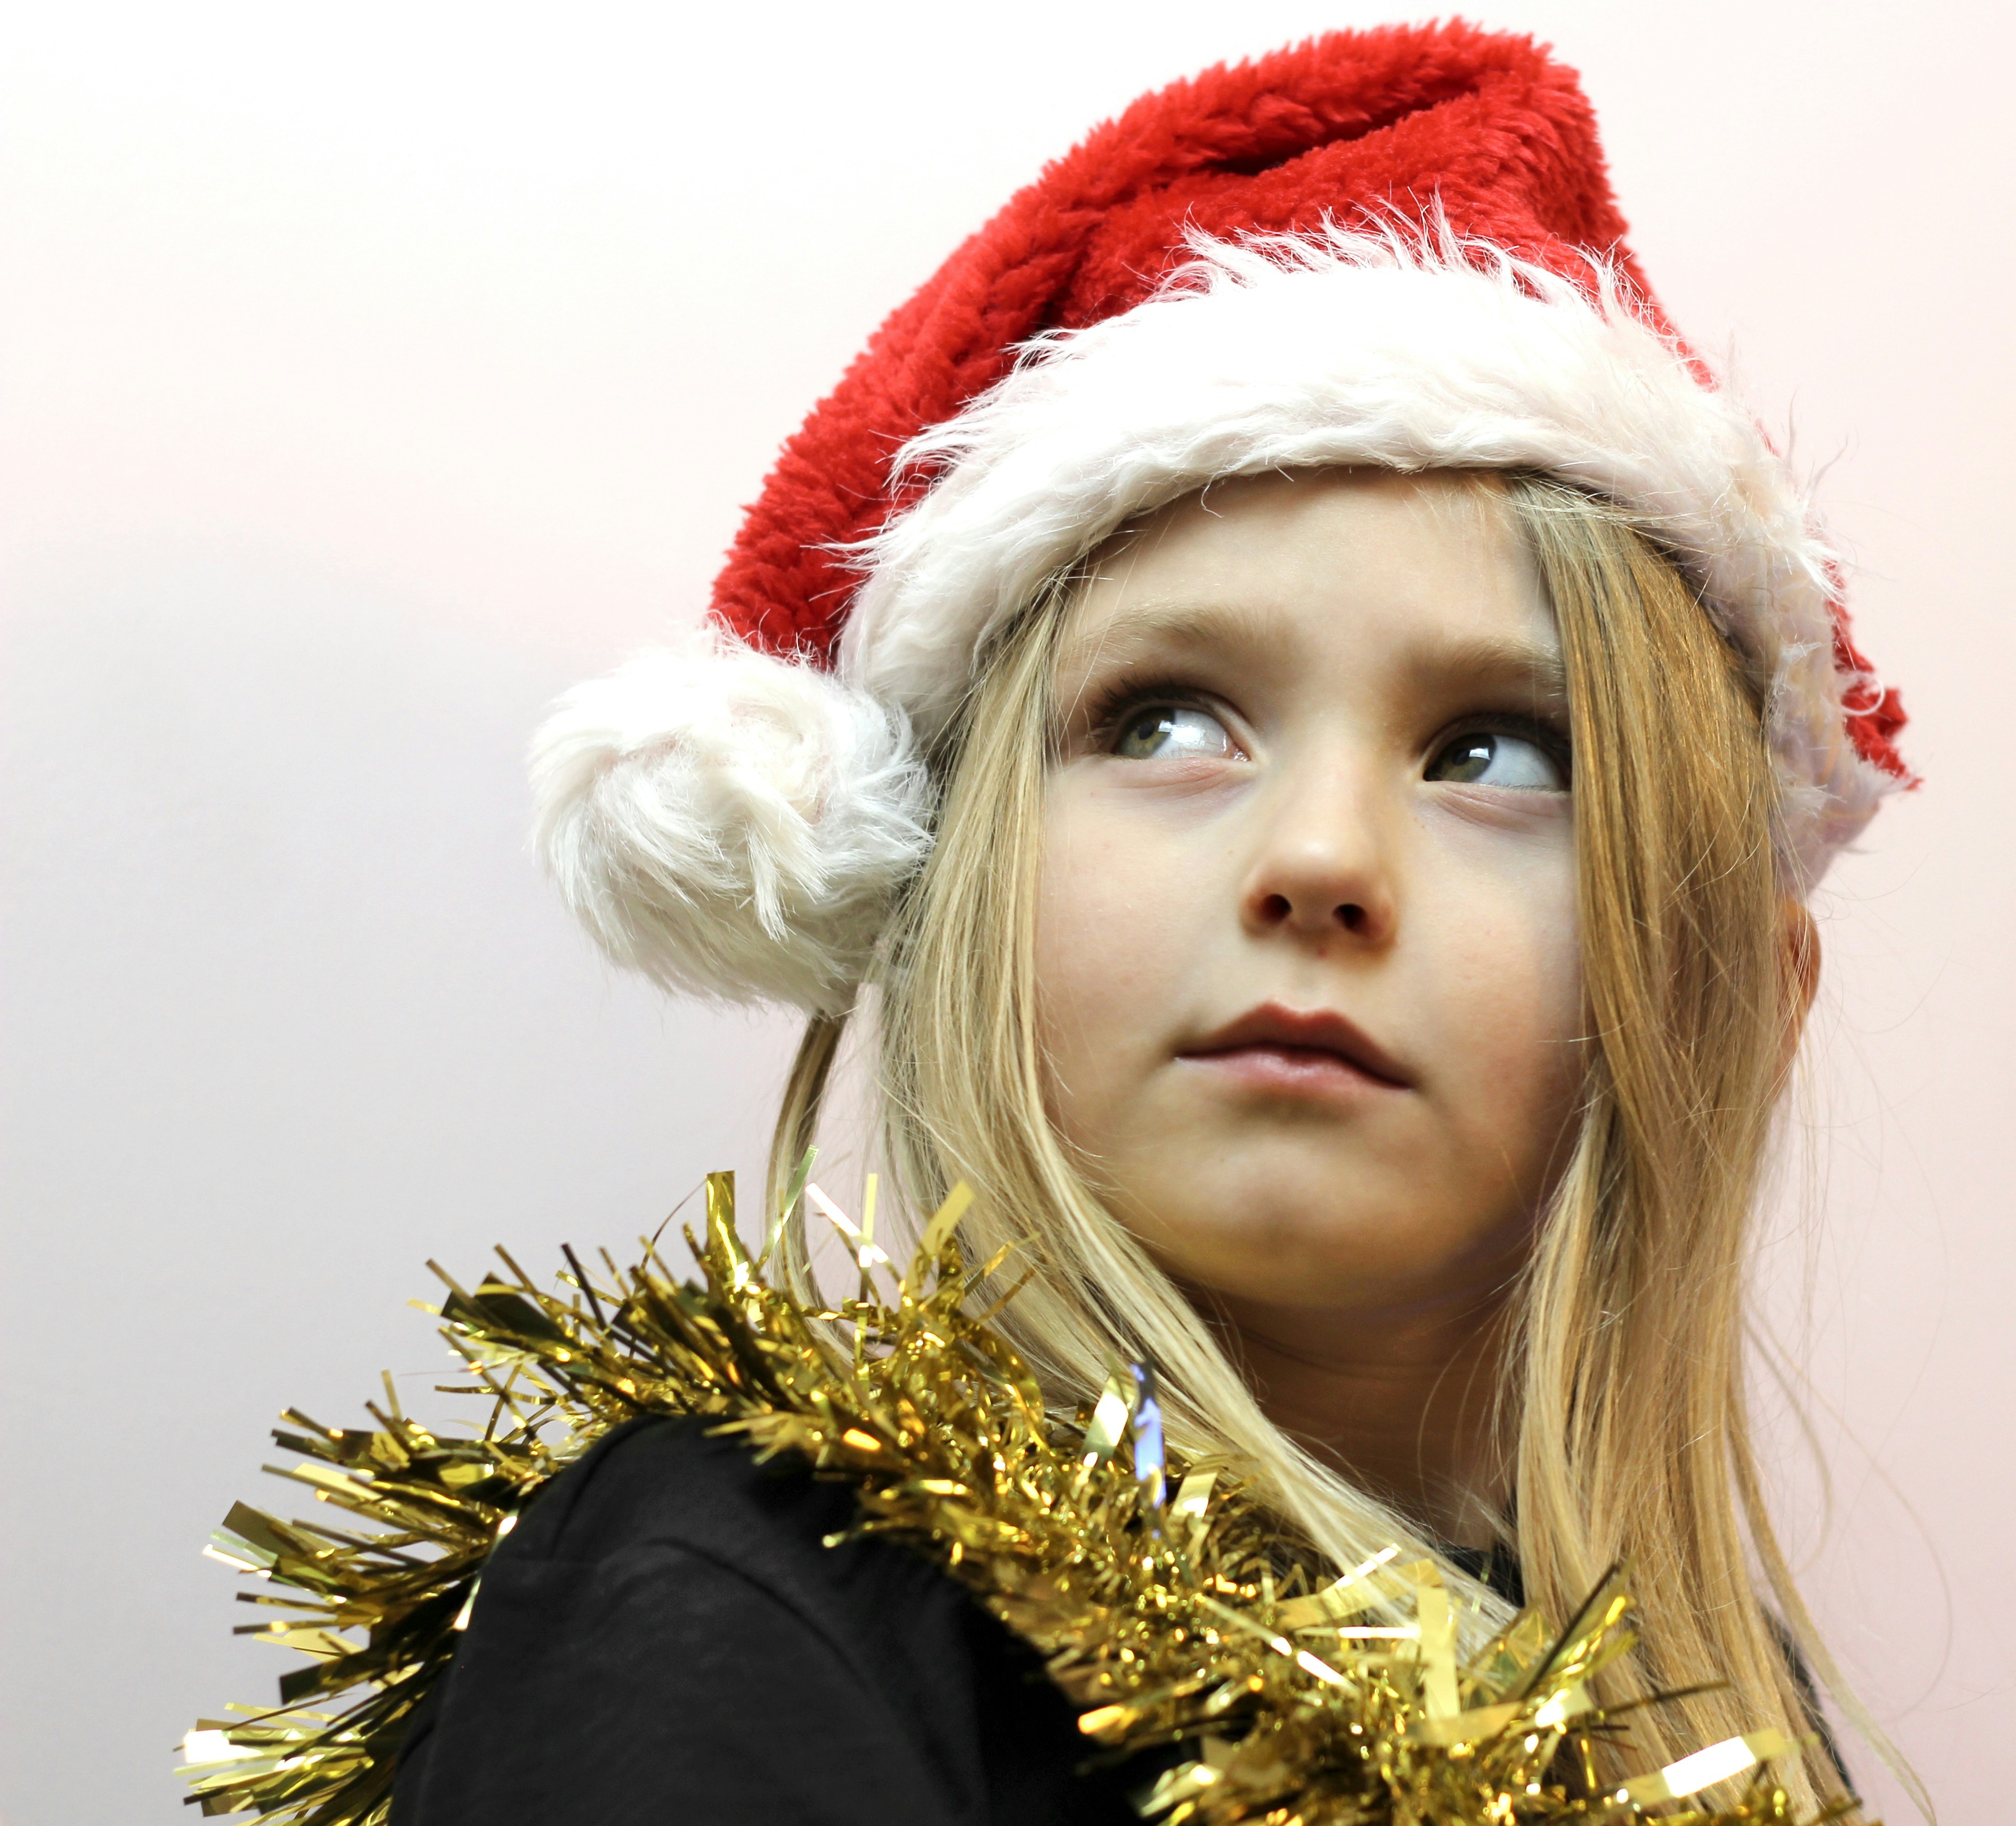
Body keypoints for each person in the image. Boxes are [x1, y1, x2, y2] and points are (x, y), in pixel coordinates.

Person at [190, 23, 1915, 1826]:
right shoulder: (750, 1580)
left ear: (1744, 997)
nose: (1319, 856)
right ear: (942, 885)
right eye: (1164, 719)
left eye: (1496, 751)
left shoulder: (1699, 1746)